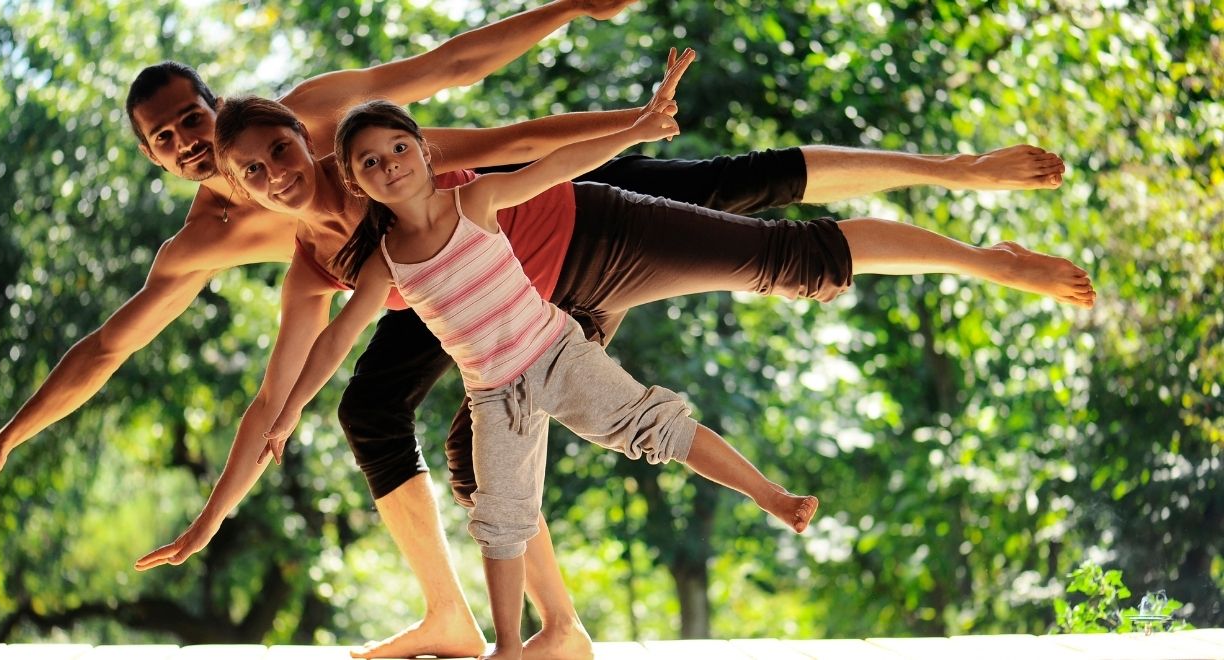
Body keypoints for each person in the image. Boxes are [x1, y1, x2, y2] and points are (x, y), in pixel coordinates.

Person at [131, 59, 1093, 658]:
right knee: (477, 458)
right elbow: (282, 395)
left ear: (310, 140)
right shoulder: (334, 262)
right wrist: (214, 511)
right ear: (240, 187)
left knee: (774, 238)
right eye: (252, 173)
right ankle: (555, 633)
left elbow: (522, 143)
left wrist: (629, 123)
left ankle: (977, 241)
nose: (276, 176)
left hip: (591, 232)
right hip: (544, 317)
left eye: (282, 153)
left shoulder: (393, 158)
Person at [259, 96, 820, 658]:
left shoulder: (475, 198)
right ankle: (507, 647)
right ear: (356, 183)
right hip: (494, 396)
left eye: (398, 148)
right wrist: (287, 412)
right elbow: (335, 338)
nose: (389, 165)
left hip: (557, 353)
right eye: (370, 163)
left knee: (656, 427)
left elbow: (559, 164)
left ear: (426, 153)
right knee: (500, 518)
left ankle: (772, 496)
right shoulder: (384, 261)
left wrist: (639, 127)